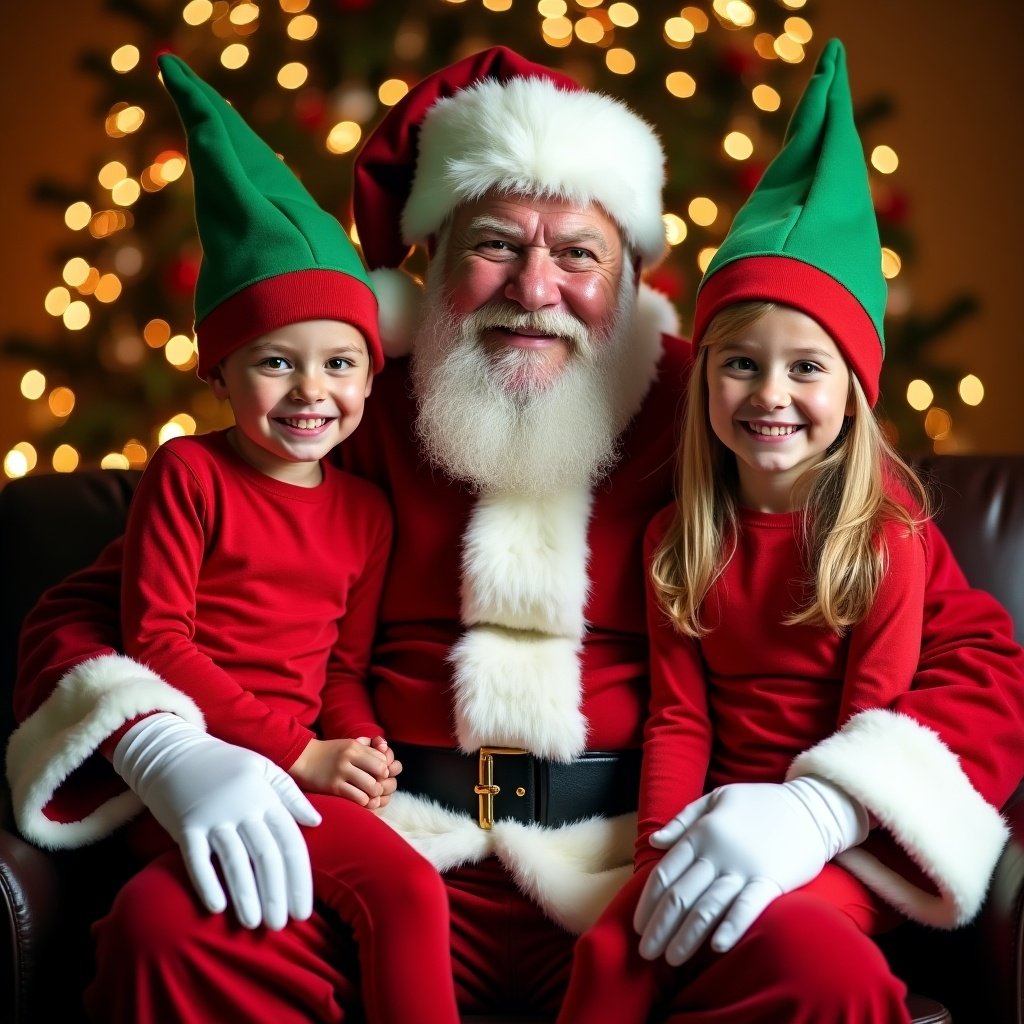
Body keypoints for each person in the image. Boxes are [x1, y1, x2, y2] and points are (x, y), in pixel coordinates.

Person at [6, 44, 1024, 1023]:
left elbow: (974, 657)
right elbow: (94, 614)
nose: (535, 291)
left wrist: (823, 809)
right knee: (169, 933)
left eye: (576, 253)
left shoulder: (718, 408)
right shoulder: (345, 405)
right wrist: (166, 747)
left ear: (627, 271)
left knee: (818, 974)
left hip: (642, 857)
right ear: (431, 258)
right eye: (495, 245)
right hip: (382, 840)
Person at [556, 38, 1023, 1024]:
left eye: (805, 369)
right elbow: (680, 717)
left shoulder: (881, 537)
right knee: (617, 954)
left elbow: (876, 718)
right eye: (740, 365)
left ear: (853, 396)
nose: (769, 395)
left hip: (835, 849)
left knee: (802, 950)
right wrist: (657, 859)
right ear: (704, 380)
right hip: (709, 821)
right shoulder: (678, 541)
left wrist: (809, 820)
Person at [98, 54, 459, 1024]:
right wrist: (292, 753)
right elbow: (159, 644)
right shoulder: (189, 475)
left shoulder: (364, 510)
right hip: (202, 773)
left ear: (372, 372)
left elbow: (341, 660)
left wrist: (355, 740)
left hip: (300, 764)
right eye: (275, 362)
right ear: (221, 372)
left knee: (404, 888)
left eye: (340, 361)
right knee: (400, 891)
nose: (311, 391)